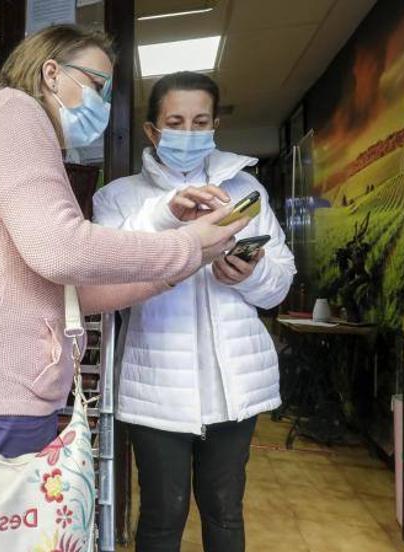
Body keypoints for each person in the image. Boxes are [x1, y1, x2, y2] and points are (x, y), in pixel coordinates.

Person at [0, 27, 248, 459]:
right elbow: (64, 249)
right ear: (51, 73)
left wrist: (179, 266)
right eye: (96, 85)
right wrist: (188, 244)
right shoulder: (15, 113)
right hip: (0, 394)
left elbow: (76, 289)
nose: (101, 103)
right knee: (9, 528)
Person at [92, 71, 296, 552]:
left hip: (235, 384)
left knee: (225, 510)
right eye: (176, 122)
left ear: (215, 125)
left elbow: (280, 285)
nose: (189, 133)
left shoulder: (248, 190)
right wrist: (166, 214)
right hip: (156, 388)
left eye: (200, 121)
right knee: (163, 513)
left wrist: (252, 274)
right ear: (152, 130)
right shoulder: (118, 198)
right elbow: (108, 277)